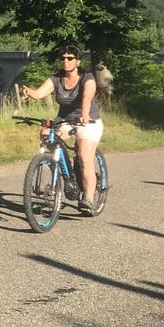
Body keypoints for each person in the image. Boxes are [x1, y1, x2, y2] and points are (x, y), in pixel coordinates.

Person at [21, 44, 104, 214]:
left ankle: (88, 198)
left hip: (87, 120)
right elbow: (39, 93)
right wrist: (29, 92)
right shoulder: (56, 79)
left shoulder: (87, 78)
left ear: (78, 61)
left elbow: (87, 97)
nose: (65, 61)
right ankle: (62, 169)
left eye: (70, 58)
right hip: (64, 120)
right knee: (45, 134)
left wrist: (85, 114)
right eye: (63, 58)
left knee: (84, 156)